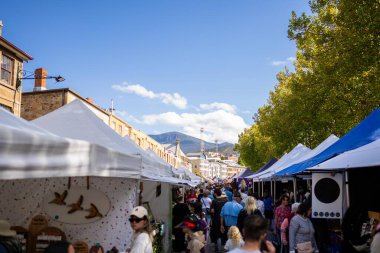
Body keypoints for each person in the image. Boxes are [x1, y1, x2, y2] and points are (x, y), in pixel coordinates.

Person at [210, 188, 229, 253]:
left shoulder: (214, 201)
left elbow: (212, 211)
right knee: (224, 232)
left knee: (217, 233)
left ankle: (218, 249)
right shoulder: (225, 200)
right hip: (224, 218)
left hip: (216, 218)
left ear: (215, 194)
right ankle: (225, 247)